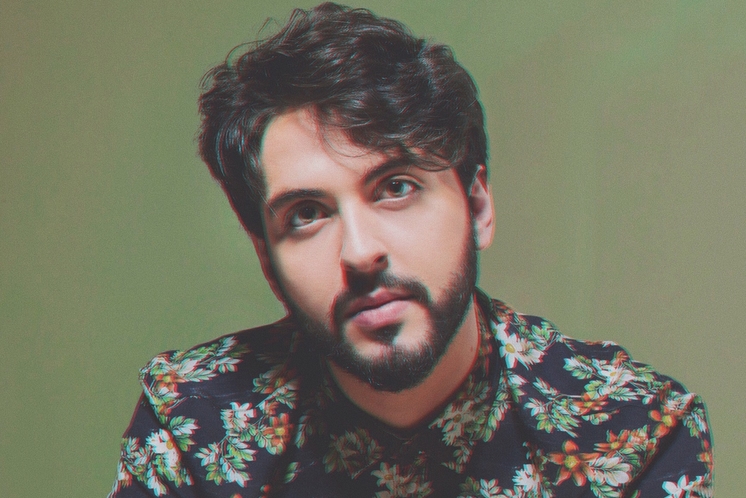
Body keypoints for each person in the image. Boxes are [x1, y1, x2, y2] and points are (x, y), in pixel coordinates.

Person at [109, 3, 713, 497]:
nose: (360, 252)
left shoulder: (634, 433)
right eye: (307, 214)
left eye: (396, 188)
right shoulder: (192, 425)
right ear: (267, 259)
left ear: (478, 207)